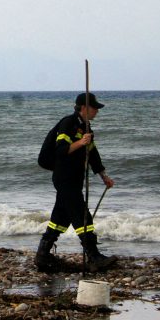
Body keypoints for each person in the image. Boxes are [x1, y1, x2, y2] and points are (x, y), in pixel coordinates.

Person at [35, 92, 117, 272]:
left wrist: (104, 176)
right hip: (64, 178)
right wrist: (80, 142)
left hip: (74, 179)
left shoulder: (86, 128)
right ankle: (94, 257)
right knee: (81, 215)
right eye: (95, 108)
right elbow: (60, 151)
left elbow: (93, 155)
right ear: (84, 108)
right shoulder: (68, 123)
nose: (97, 112)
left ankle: (43, 255)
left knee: (60, 218)